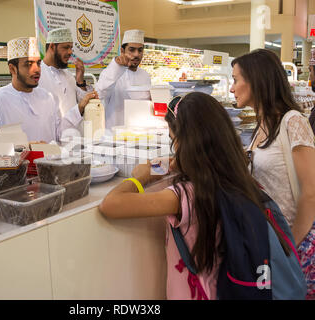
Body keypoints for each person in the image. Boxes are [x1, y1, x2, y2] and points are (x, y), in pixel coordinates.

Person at [99, 92, 270, 300]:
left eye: (173, 140)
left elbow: (110, 204)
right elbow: (174, 163)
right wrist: (160, 166)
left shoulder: (184, 196)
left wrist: (139, 180)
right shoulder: (237, 178)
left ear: (185, 142)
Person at [230, 48, 315, 299]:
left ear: (257, 81)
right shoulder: (262, 126)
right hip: (271, 242)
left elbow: (311, 193)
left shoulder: (292, 121)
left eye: (235, 80)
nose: (232, 88)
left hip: (293, 244)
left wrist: (292, 245)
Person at [0, 37, 96, 144]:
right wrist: (24, 148)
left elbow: (59, 134)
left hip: (48, 163)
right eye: (28, 64)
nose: (36, 69)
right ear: (13, 69)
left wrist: (79, 108)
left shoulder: (48, 98)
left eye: (38, 63)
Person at [95, 29, 151, 130]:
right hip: (114, 135)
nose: (136, 54)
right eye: (132, 50)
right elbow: (99, 93)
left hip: (140, 133)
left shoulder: (145, 75)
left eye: (140, 50)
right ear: (122, 50)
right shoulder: (111, 72)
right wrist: (116, 66)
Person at [39, 28, 96, 118]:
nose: (70, 52)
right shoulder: (38, 76)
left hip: (74, 131)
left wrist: (80, 81)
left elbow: (83, 105)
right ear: (52, 47)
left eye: (71, 48)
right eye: (66, 47)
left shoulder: (68, 75)